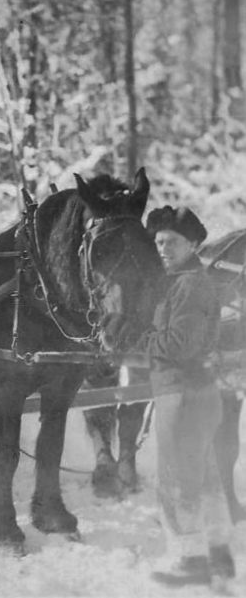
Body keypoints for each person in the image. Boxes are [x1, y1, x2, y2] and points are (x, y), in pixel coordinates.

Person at [139, 206, 235, 591]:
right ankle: (219, 555)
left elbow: (179, 344)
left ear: (193, 243)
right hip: (192, 393)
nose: (163, 248)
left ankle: (190, 559)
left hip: (183, 394)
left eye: (172, 242)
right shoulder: (179, 280)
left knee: (176, 481)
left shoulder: (190, 284)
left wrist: (136, 338)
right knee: (206, 477)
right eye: (159, 241)